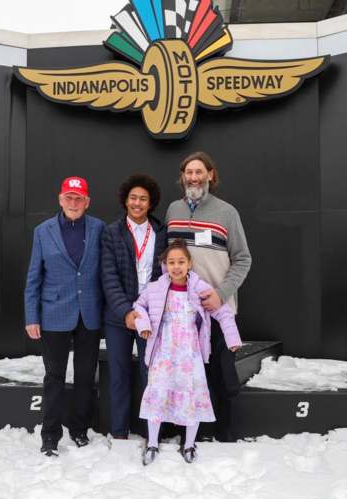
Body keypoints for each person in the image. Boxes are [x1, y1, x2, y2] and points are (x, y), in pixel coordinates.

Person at [165, 152, 252, 442]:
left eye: (199, 172)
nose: (194, 177)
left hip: (217, 308)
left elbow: (243, 259)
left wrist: (221, 294)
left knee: (223, 374)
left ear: (210, 175)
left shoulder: (227, 212)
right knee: (190, 375)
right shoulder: (174, 210)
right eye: (189, 172)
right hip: (183, 312)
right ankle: (194, 433)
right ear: (182, 177)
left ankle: (227, 434)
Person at [134, 240, 242, 465]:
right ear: (165, 265)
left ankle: (190, 444)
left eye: (181, 262)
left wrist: (232, 338)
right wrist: (143, 325)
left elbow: (223, 312)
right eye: (171, 262)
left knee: (192, 396)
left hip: (189, 355)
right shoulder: (156, 288)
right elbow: (138, 306)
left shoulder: (199, 288)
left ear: (189, 264)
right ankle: (152, 442)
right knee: (158, 395)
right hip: (163, 353)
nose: (176, 267)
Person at [24, 176, 105, 457]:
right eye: (68, 197)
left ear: (87, 202)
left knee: (85, 376)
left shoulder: (98, 228)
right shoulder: (43, 231)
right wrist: (31, 316)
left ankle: (79, 429)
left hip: (89, 314)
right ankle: (50, 436)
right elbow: (34, 277)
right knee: (54, 376)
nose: (73, 203)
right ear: (60, 199)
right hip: (54, 313)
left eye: (78, 198)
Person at [101, 174, 167, 440]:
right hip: (119, 317)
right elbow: (109, 276)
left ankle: (151, 433)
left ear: (150, 203)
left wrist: (149, 311)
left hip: (151, 316)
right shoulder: (111, 232)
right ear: (125, 201)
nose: (137, 203)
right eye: (133, 198)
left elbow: (164, 276)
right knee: (119, 375)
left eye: (143, 199)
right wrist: (127, 312)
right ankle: (119, 433)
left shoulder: (161, 233)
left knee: (151, 374)